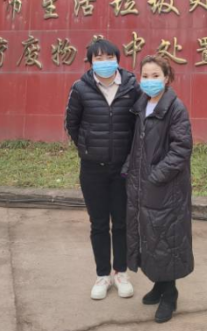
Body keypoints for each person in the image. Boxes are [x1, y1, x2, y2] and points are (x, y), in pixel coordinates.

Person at [65, 39, 141, 300]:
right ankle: (102, 275)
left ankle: (121, 273)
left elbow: (137, 125)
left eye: (110, 57)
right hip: (92, 169)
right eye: (99, 58)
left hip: (122, 169)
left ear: (118, 59)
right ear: (90, 62)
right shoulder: (80, 88)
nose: (105, 62)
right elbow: (72, 124)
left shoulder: (131, 87)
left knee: (121, 223)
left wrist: (129, 158)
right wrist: (88, 148)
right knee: (98, 223)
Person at [122, 55, 194, 324]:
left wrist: (155, 176)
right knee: (152, 237)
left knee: (167, 238)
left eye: (155, 76)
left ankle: (170, 294)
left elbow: (181, 149)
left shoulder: (175, 108)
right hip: (143, 184)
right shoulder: (142, 105)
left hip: (166, 188)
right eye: (145, 76)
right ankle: (160, 285)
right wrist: (129, 168)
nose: (150, 80)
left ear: (167, 78)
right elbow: (137, 145)